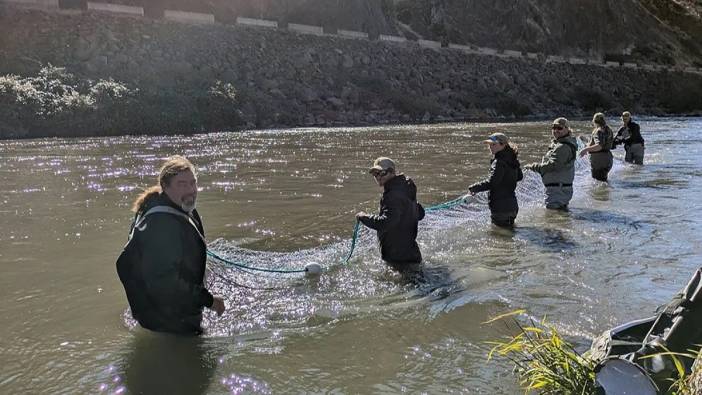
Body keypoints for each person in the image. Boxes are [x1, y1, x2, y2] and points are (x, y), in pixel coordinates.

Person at [116, 155, 225, 335]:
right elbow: (166, 283)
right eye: (182, 184)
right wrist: (211, 301)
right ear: (165, 187)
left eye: (193, 183)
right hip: (168, 321)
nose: (191, 190)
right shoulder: (160, 226)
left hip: (169, 311)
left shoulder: (175, 206)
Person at [356, 157, 425, 270]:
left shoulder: (392, 195)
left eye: (382, 173)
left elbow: (386, 223)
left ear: (392, 172)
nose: (378, 177)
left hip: (398, 259)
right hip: (412, 253)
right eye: (375, 174)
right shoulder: (406, 187)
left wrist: (364, 217)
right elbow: (421, 214)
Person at [467, 132, 523, 228]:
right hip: (512, 207)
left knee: (500, 237)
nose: (490, 147)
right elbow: (519, 177)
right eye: (489, 145)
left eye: (493, 144)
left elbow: (492, 182)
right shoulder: (512, 159)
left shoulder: (499, 162)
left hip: (500, 209)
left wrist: (473, 188)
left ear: (503, 145)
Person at [524, 118, 579, 210]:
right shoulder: (563, 143)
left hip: (557, 192)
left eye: (559, 128)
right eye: (554, 128)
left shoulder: (562, 147)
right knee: (560, 220)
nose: (556, 130)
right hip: (561, 189)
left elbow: (552, 165)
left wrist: (533, 167)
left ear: (567, 129)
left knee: (554, 219)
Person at [579, 112, 614, 182]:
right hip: (608, 158)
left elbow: (599, 146)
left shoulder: (598, 131)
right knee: (603, 182)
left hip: (599, 161)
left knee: (598, 184)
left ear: (594, 121)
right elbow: (603, 144)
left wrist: (585, 150)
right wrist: (587, 142)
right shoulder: (608, 129)